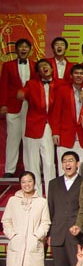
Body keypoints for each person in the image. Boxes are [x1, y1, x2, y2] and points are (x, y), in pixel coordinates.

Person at [1, 171, 51, 266]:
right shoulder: (13, 200)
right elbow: (6, 221)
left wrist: (36, 237)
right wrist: (13, 236)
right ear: (20, 184)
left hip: (33, 248)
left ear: (34, 183)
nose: (26, 184)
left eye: (29, 181)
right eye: (23, 182)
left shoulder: (41, 202)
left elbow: (45, 222)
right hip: (17, 248)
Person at [47, 151, 83, 266]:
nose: (68, 164)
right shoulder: (53, 184)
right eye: (64, 161)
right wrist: (49, 233)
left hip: (76, 236)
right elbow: (50, 209)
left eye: (71, 160)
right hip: (58, 234)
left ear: (77, 164)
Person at [18, 59, 58, 195]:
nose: (44, 67)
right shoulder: (31, 84)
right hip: (33, 126)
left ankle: (51, 196)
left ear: (52, 68)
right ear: (38, 72)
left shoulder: (60, 83)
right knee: (33, 163)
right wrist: (21, 93)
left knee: (49, 163)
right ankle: (35, 195)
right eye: (41, 66)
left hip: (49, 126)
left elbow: (78, 83)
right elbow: (23, 92)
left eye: (46, 65)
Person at [0, 38, 35, 178]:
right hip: (13, 106)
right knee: (12, 139)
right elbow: (3, 86)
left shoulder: (35, 65)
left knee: (28, 139)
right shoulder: (8, 66)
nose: (23, 49)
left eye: (26, 47)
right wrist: (3, 104)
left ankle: (29, 168)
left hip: (30, 107)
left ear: (30, 50)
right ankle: (9, 170)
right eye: (21, 47)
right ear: (16, 49)